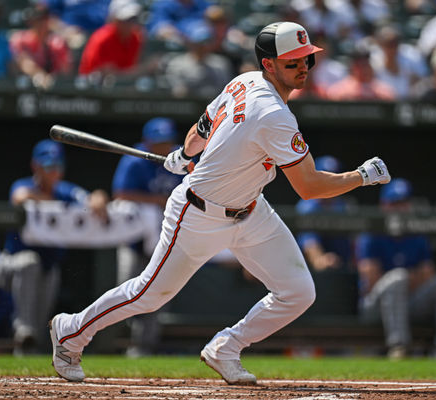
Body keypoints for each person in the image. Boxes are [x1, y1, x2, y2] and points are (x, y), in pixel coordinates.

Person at [49, 21, 391, 384]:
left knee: (298, 292)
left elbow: (200, 130)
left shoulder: (242, 81)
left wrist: (184, 153)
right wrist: (362, 176)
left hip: (251, 210)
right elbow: (308, 187)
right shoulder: (274, 115)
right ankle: (71, 331)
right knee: (149, 294)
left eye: (307, 59)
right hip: (199, 214)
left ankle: (226, 347)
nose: (303, 67)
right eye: (293, 62)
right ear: (269, 65)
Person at [0, 139, 109, 355]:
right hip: (12, 265)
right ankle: (23, 329)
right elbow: (20, 197)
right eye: (48, 166)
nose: (53, 172)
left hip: (48, 266)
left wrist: (98, 197)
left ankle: (28, 347)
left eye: (57, 166)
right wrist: (51, 201)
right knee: (30, 263)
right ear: (36, 166)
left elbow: (90, 199)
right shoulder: (24, 185)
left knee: (44, 294)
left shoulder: (65, 191)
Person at [355, 178, 436, 359]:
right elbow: (372, 280)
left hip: (408, 302)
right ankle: (399, 347)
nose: (400, 209)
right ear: (384, 205)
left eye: (404, 203)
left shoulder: (416, 232)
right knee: (398, 278)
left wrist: (406, 279)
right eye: (395, 203)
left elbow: (428, 273)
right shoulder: (372, 232)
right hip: (374, 305)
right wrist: (408, 278)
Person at [111, 117, 183, 357]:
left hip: (164, 238)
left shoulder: (179, 159)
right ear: (146, 141)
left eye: (166, 142)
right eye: (158, 142)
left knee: (158, 291)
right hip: (135, 237)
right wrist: (159, 202)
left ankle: (144, 345)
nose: (163, 148)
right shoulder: (134, 159)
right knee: (126, 288)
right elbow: (121, 193)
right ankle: (120, 337)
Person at [295, 155, 354, 272]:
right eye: (324, 177)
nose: (329, 182)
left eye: (333, 177)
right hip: (311, 271)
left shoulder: (345, 205)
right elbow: (309, 243)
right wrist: (320, 259)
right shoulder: (307, 207)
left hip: (344, 267)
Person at [10, 4, 73, 90]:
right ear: (30, 21)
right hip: (23, 88)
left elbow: (65, 71)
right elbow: (23, 64)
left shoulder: (57, 43)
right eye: (37, 20)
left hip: (53, 90)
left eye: (44, 19)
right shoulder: (20, 39)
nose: (40, 23)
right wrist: (42, 76)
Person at [163, 20, 234, 98]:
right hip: (190, 106)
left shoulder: (221, 63)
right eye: (199, 43)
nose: (203, 46)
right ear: (189, 43)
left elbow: (227, 92)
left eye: (206, 42)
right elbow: (178, 93)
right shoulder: (177, 64)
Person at [78, 0, 144, 77]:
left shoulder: (135, 38)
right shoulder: (101, 39)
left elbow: (127, 71)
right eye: (126, 20)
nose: (130, 24)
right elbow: (91, 73)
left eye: (133, 19)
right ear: (114, 20)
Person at [326, 43, 396, 101]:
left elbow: (390, 99)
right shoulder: (340, 89)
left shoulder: (381, 89)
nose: (363, 68)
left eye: (365, 64)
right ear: (353, 67)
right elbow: (332, 97)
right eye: (359, 65)